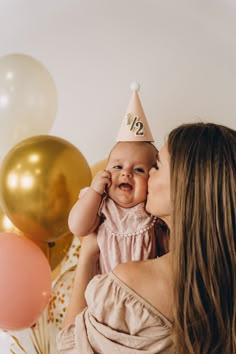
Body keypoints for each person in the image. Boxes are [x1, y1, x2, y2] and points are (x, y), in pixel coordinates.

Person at [57, 122, 236, 354]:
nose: (148, 173)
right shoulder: (224, 287)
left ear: (184, 187)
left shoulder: (128, 283)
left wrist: (89, 252)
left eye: (156, 166)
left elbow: (70, 348)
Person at [68, 84, 168, 273]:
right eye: (117, 166)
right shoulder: (103, 204)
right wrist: (94, 192)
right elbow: (77, 228)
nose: (126, 173)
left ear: (152, 180)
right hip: (106, 288)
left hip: (142, 293)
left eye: (139, 170)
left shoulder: (152, 213)